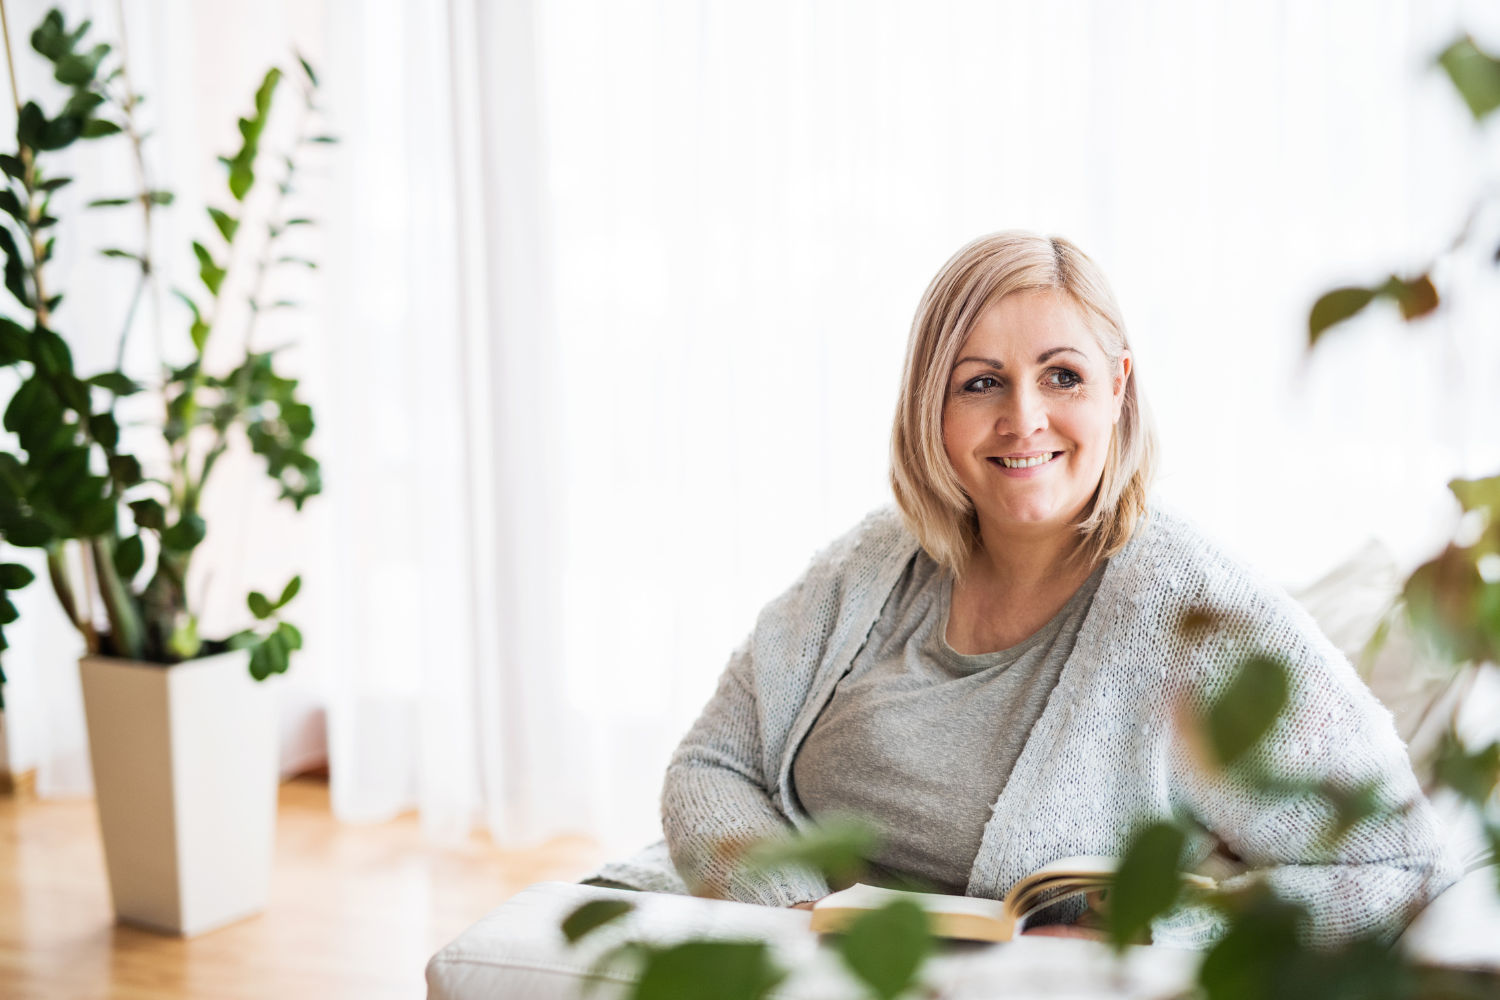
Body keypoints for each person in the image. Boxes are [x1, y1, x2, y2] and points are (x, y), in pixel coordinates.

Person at [587, 231, 1457, 947]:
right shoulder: (872, 565)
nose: (1023, 419)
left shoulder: (1197, 611)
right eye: (980, 383)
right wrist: (792, 920)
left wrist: (1148, 933)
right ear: (934, 406)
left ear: (1117, 389)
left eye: (1063, 376)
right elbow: (712, 766)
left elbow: (1393, 865)